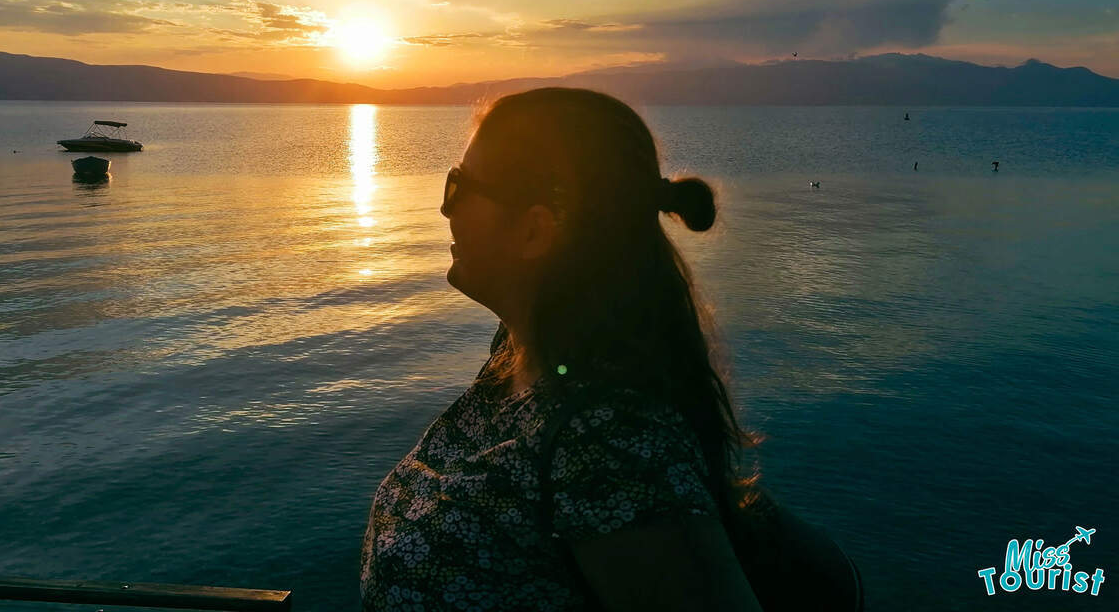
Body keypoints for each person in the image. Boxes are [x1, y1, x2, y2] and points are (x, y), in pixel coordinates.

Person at [359, 88, 858, 611]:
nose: (445, 208)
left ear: (534, 231)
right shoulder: (520, 356)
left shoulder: (608, 439)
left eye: (458, 185)